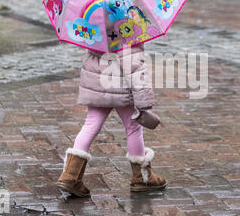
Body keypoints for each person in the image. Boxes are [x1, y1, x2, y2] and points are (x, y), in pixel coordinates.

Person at [56, 44, 167, 197]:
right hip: (122, 90)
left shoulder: (93, 27)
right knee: (133, 127)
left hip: (97, 86)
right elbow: (134, 67)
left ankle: (70, 176)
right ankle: (142, 178)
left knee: (90, 125)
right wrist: (144, 102)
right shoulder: (128, 27)